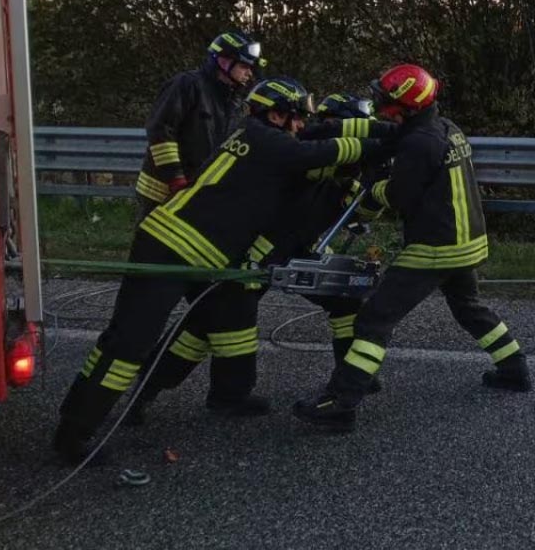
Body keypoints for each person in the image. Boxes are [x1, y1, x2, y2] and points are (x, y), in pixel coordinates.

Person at [53, 78, 391, 463]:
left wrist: (389, 133)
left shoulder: (267, 136)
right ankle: (74, 434)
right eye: (297, 119)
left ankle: (221, 395)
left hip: (202, 255)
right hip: (171, 248)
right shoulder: (270, 143)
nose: (302, 126)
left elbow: (326, 135)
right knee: (129, 342)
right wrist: (384, 144)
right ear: (277, 115)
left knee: (212, 326)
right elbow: (325, 147)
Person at [124, 93, 398, 426]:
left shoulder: (346, 170)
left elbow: (360, 213)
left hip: (299, 249)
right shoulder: (304, 151)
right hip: (255, 253)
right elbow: (321, 160)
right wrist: (373, 147)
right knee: (206, 327)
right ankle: (147, 394)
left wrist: (379, 180)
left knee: (345, 300)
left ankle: (352, 376)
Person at [293, 64, 532, 432]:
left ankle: (341, 401)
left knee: (375, 318)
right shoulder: (444, 128)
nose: (381, 106)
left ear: (409, 107)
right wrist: (325, 129)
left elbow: (401, 195)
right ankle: (514, 368)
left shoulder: (419, 143)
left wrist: (370, 193)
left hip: (436, 247)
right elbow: (384, 132)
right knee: (469, 307)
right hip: (468, 242)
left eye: (387, 102)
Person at [136, 31, 264, 217]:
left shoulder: (234, 102)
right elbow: (160, 131)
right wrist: (175, 177)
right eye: (245, 66)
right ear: (224, 61)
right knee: (151, 244)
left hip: (195, 192)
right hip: (161, 191)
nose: (249, 73)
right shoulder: (187, 85)